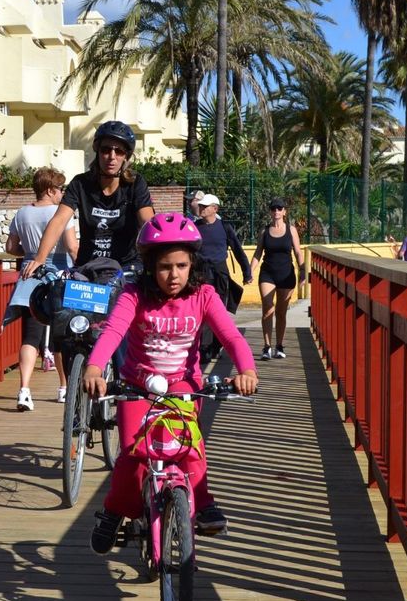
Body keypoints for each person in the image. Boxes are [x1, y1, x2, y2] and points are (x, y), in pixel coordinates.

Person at [82, 213, 258, 552]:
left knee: (190, 448)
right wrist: (94, 367)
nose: (173, 275)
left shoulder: (204, 295)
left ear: (192, 262)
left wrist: (246, 370)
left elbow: (231, 336)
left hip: (184, 385)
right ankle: (113, 512)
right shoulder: (134, 295)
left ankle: (202, 502)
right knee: (133, 457)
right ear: (149, 266)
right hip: (137, 385)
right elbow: (113, 331)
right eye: (164, 267)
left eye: (180, 265)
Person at [20, 121, 155, 280]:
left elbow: (148, 221)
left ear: (126, 156)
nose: (111, 157)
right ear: (97, 152)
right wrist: (39, 259)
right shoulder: (80, 183)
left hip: (125, 269)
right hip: (88, 268)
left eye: (118, 151)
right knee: (60, 303)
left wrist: (157, 259)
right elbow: (59, 220)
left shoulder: (135, 184)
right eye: (106, 150)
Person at [6, 167, 78, 411]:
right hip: (57, 275)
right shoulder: (62, 213)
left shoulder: (22, 213)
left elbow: (10, 247)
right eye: (60, 189)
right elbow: (71, 248)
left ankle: (24, 390)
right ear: (50, 190)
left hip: (29, 275)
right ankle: (63, 388)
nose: (62, 194)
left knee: (30, 336)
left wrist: (30, 254)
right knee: (60, 336)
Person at [194, 193, 251, 359]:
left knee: (218, 311)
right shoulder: (195, 227)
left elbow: (238, 251)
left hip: (220, 273)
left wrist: (246, 272)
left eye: (205, 206)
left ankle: (215, 346)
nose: (202, 209)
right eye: (201, 206)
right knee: (202, 312)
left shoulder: (225, 227)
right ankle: (203, 348)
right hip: (201, 274)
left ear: (215, 209)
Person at [248, 198, 302, 361]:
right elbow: (258, 253)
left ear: (285, 212)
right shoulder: (264, 231)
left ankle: (279, 345)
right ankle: (267, 347)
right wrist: (250, 271)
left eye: (280, 208)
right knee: (267, 308)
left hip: (286, 274)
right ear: (270, 212)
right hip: (268, 273)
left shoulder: (291, 230)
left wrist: (304, 271)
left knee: (281, 311)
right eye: (273, 208)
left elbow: (298, 252)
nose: (276, 211)